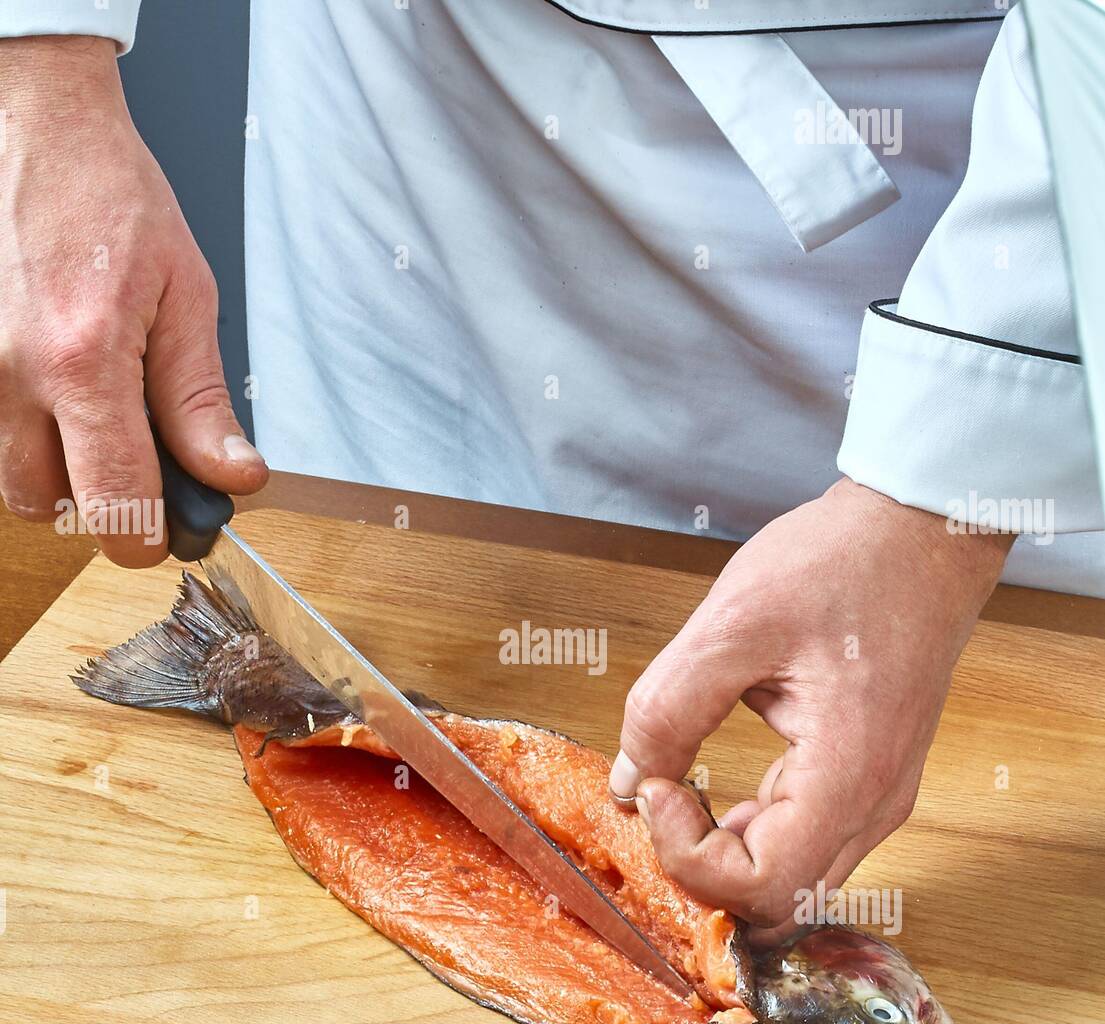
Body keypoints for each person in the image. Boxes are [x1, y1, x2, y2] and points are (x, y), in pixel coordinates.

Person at [0, 1, 1099, 945]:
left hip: (986, 171)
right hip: (427, 129)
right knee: (355, 688)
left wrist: (940, 500)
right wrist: (35, 67)